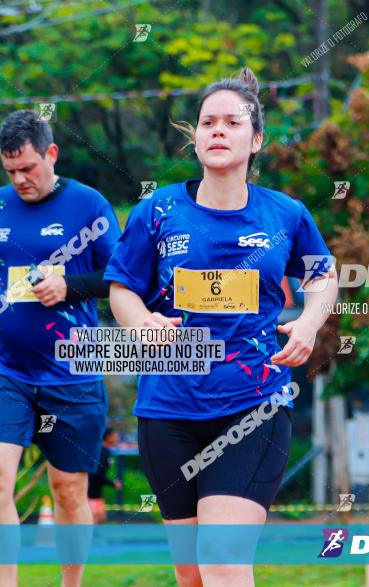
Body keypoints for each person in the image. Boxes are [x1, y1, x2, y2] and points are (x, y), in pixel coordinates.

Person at [104, 68, 337, 587]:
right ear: (194, 138)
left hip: (254, 404)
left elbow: (324, 276)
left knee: (223, 562)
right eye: (207, 122)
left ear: (255, 140)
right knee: (191, 575)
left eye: (232, 122)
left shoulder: (286, 214)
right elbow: (120, 286)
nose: (217, 130)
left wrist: (309, 320)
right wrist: (142, 323)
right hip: (168, 409)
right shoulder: (158, 210)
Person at [0, 109, 121, 587]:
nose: (20, 179)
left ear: (51, 153)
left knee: (68, 492)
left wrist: (68, 285)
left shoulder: (89, 206)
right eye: (10, 171)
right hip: (8, 372)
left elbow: (123, 282)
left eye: (28, 168)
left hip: (72, 376)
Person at [87, 427, 123, 524]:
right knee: (95, 519)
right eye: (115, 436)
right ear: (108, 437)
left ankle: (93, 538)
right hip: (91, 493)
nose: (117, 438)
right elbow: (96, 474)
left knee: (101, 519)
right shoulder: (103, 451)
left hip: (95, 493)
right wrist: (112, 483)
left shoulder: (103, 451)